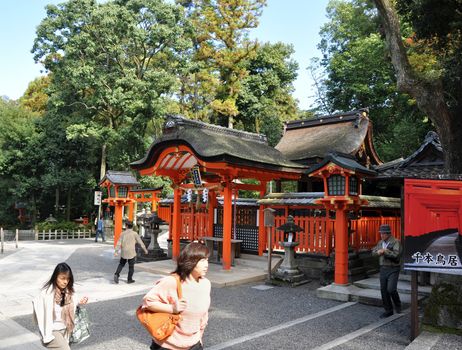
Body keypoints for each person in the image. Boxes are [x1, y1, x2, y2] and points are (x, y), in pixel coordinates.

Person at [142, 242, 211, 350]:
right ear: (190, 261)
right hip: (167, 345)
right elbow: (148, 302)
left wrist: (199, 338)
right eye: (202, 261)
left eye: (207, 260)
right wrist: (172, 308)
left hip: (194, 344)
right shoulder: (172, 282)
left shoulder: (206, 284)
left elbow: (204, 315)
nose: (206, 265)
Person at [32, 262, 88, 349]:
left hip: (65, 330)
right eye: (62, 278)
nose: (65, 282)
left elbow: (72, 303)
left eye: (68, 279)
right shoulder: (47, 294)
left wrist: (79, 302)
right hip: (52, 332)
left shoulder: (69, 293)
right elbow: (37, 305)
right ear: (55, 277)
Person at [372, 224, 402, 318]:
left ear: (389, 234)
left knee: (391, 289)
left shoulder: (396, 242)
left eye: (383, 233)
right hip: (383, 268)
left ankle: (398, 304)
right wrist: (377, 252)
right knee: (383, 290)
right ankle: (388, 310)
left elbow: (396, 255)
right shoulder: (380, 242)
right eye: (381, 233)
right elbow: (373, 252)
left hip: (393, 268)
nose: (382, 235)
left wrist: (385, 251)